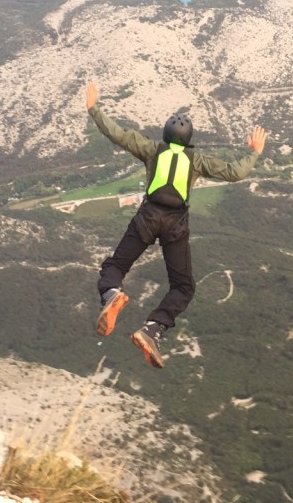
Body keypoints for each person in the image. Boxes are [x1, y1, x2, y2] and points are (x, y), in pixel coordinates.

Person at [85, 81, 267, 368]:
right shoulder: (197, 161)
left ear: (166, 135)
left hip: (146, 219)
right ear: (189, 138)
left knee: (115, 267)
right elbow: (235, 172)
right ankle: (153, 329)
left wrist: (94, 109)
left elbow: (117, 134)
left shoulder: (150, 150)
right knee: (183, 287)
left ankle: (112, 294)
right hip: (175, 227)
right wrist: (254, 151)